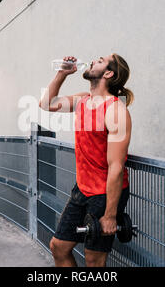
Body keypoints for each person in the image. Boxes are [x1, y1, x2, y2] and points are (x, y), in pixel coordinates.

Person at [38, 54, 134, 267]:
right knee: (58, 247)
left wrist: (110, 215)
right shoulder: (83, 100)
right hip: (82, 189)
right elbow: (46, 104)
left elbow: (116, 166)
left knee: (93, 260)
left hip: (104, 194)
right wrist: (62, 73)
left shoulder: (115, 110)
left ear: (108, 73)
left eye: (99, 61)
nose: (92, 61)